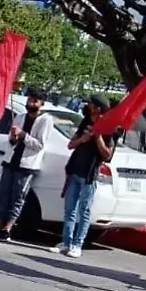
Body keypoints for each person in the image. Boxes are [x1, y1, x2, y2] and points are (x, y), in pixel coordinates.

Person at [51, 95, 118, 258]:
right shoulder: (85, 121)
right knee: (70, 209)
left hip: (89, 175)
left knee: (84, 210)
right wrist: (83, 138)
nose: (88, 106)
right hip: (75, 170)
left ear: (98, 108)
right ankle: (66, 242)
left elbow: (107, 155)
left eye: (91, 104)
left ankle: (77, 244)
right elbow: (71, 144)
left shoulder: (109, 128)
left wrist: (97, 136)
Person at [0, 87, 55, 241]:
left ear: (41, 103)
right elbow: (11, 141)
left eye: (35, 101)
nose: (31, 103)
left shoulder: (45, 120)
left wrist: (23, 135)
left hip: (27, 164)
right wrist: (13, 137)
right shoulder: (20, 117)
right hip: (11, 160)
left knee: (18, 196)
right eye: (29, 100)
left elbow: (40, 144)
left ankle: (8, 228)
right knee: (3, 194)